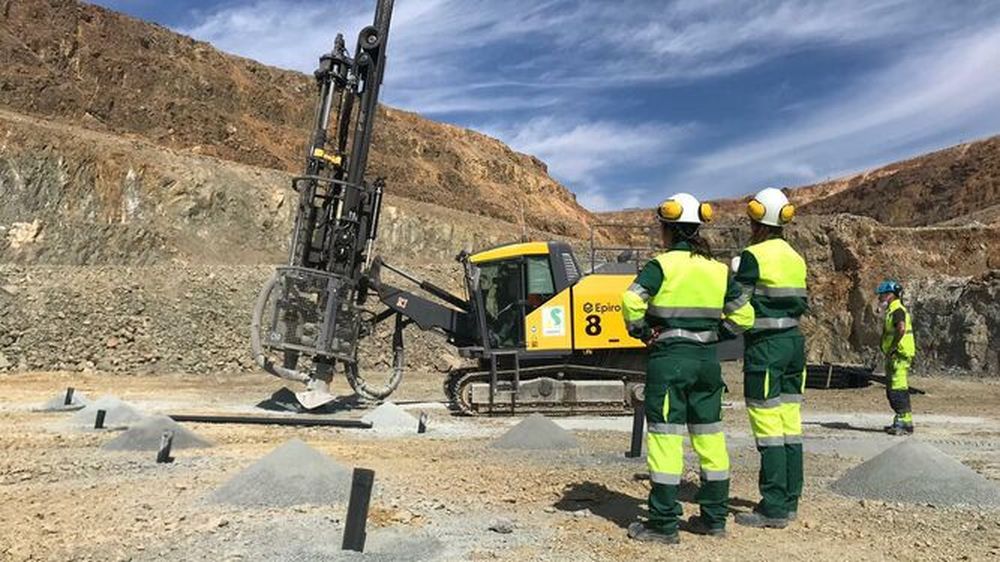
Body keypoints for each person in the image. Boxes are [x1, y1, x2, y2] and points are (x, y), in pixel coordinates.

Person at [621, 193, 754, 544]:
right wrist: (716, 335)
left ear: (668, 229)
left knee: (666, 438)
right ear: (697, 228)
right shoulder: (718, 270)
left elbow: (631, 300)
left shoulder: (661, 266)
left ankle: (663, 524)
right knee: (710, 438)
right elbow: (745, 316)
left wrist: (641, 331)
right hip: (707, 362)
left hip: (670, 360)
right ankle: (714, 518)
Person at [732, 187, 808, 530]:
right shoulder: (796, 257)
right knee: (790, 424)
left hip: (766, 347)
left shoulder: (753, 256)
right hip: (794, 344)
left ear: (756, 219)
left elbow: (739, 303)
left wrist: (723, 327)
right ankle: (790, 500)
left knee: (768, 427)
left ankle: (773, 507)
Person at [876, 280, 916, 435]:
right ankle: (902, 420)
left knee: (897, 390)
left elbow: (901, 329)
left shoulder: (897, 310)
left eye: (882, 295)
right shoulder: (892, 311)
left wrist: (893, 347)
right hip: (894, 355)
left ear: (889, 295)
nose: (880, 298)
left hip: (899, 355)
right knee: (893, 389)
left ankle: (904, 423)